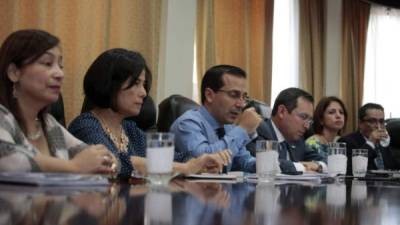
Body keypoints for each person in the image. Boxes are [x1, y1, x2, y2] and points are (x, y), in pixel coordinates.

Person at [68, 48, 225, 178]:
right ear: (110, 84)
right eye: (136, 83)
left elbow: (177, 157)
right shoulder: (85, 125)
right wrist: (186, 168)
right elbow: (113, 162)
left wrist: (200, 162)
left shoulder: (129, 130)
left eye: (144, 85)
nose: (144, 93)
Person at [0, 29, 117, 173]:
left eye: (60, 66)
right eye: (47, 63)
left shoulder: (49, 125)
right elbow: (8, 159)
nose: (60, 74)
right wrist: (73, 167)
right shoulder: (2, 116)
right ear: (14, 72)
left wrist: (106, 161)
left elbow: (104, 160)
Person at [170, 64, 262, 173]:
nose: (241, 104)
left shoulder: (229, 127)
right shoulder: (186, 124)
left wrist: (265, 165)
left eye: (244, 97)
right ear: (209, 95)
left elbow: (244, 162)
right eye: (234, 95)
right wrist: (243, 129)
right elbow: (205, 162)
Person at [247, 87, 326, 174]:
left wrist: (318, 166)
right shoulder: (259, 129)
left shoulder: (298, 140)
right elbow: (266, 164)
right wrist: (302, 167)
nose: (307, 126)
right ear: (281, 111)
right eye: (303, 117)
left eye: (309, 120)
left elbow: (327, 161)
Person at [338, 103, 400, 174]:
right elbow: (352, 171)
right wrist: (371, 143)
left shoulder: (384, 143)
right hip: (364, 184)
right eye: (372, 121)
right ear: (360, 123)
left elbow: (395, 169)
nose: (378, 126)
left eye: (381, 121)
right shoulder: (347, 142)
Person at [305, 96, 347, 162]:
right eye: (331, 112)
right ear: (321, 119)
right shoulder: (312, 143)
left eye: (341, 112)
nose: (338, 116)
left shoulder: (343, 142)